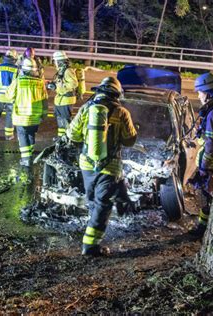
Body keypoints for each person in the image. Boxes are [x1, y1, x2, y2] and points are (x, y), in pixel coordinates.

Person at [66, 77, 137, 256]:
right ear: (116, 94)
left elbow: (72, 135)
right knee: (102, 204)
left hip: (87, 164)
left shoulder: (86, 109)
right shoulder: (122, 112)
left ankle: (124, 205)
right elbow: (130, 141)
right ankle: (90, 246)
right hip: (110, 165)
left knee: (93, 200)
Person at [189, 72, 213, 239]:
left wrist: (204, 167)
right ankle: (204, 227)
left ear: (207, 92)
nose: (198, 96)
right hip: (212, 163)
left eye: (199, 92)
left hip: (212, 165)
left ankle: (204, 230)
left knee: (208, 198)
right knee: (205, 198)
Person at [6, 58, 48, 167]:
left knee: (23, 136)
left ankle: (26, 160)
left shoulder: (18, 81)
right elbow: (45, 100)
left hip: (21, 116)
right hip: (35, 117)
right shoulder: (40, 82)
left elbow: (9, 96)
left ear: (23, 69)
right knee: (31, 134)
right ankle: (29, 155)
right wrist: (44, 114)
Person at [47, 51, 78, 137]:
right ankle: (61, 138)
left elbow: (74, 84)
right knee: (60, 121)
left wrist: (57, 86)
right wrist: (52, 84)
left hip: (66, 100)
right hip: (60, 100)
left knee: (66, 121)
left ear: (59, 61)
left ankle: (68, 139)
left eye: (55, 61)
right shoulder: (61, 71)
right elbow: (60, 83)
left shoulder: (68, 71)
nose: (54, 63)